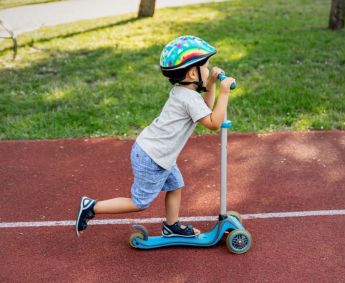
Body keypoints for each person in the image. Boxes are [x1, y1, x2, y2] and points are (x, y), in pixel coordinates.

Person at [75, 35, 236, 238]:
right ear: (193, 73)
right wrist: (224, 93)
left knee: (176, 185)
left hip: (155, 153)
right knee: (139, 202)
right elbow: (213, 123)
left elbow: (204, 109)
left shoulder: (183, 93)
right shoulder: (188, 98)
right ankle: (92, 207)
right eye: (206, 67)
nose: (209, 69)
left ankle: (171, 226)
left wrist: (211, 83)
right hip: (153, 157)